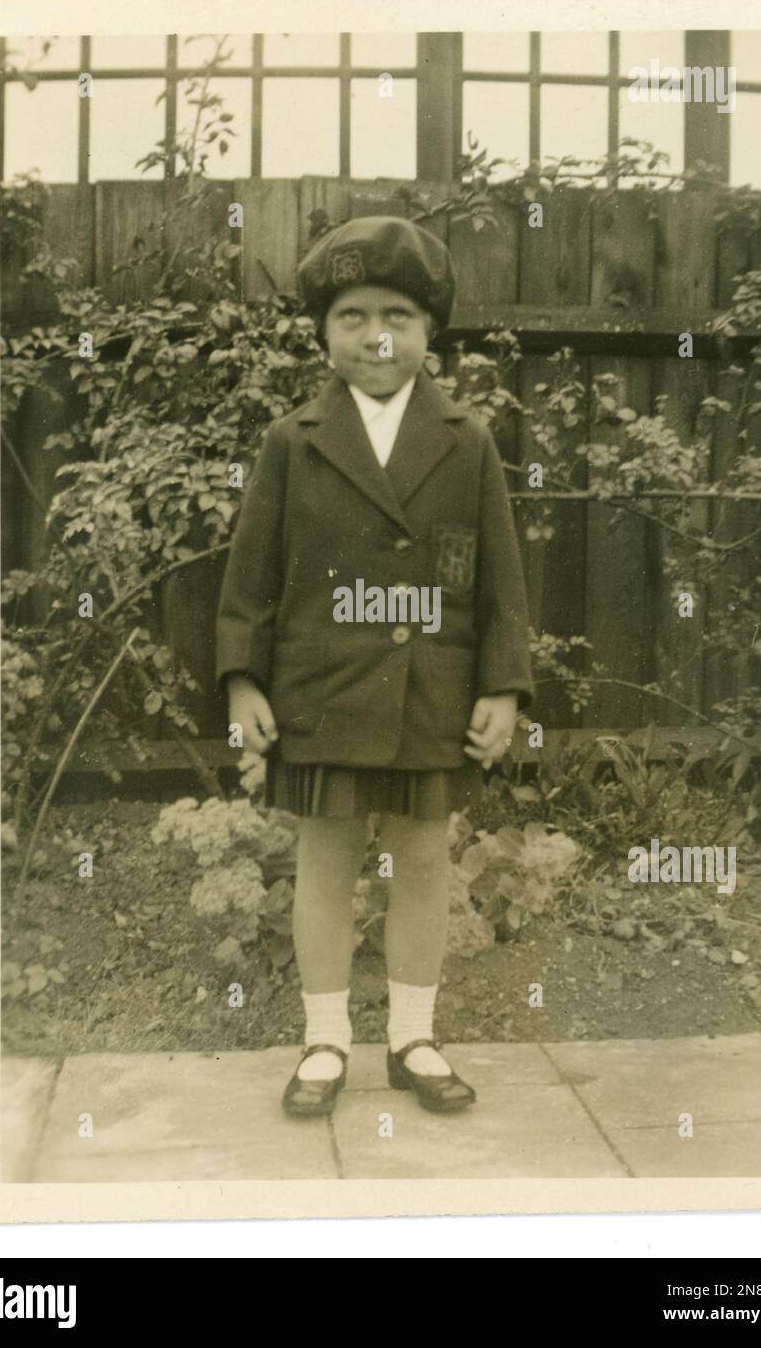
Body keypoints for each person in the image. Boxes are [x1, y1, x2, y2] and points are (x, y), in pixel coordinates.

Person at [215, 216, 533, 1117]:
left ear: (430, 332)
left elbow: (503, 581)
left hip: (429, 691)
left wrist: (502, 686)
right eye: (352, 314)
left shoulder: (467, 439)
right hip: (322, 691)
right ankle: (323, 1043)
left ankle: (413, 1039)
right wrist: (243, 678)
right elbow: (250, 576)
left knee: (424, 861)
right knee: (324, 860)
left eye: (397, 313)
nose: (376, 333)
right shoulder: (294, 439)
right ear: (324, 330)